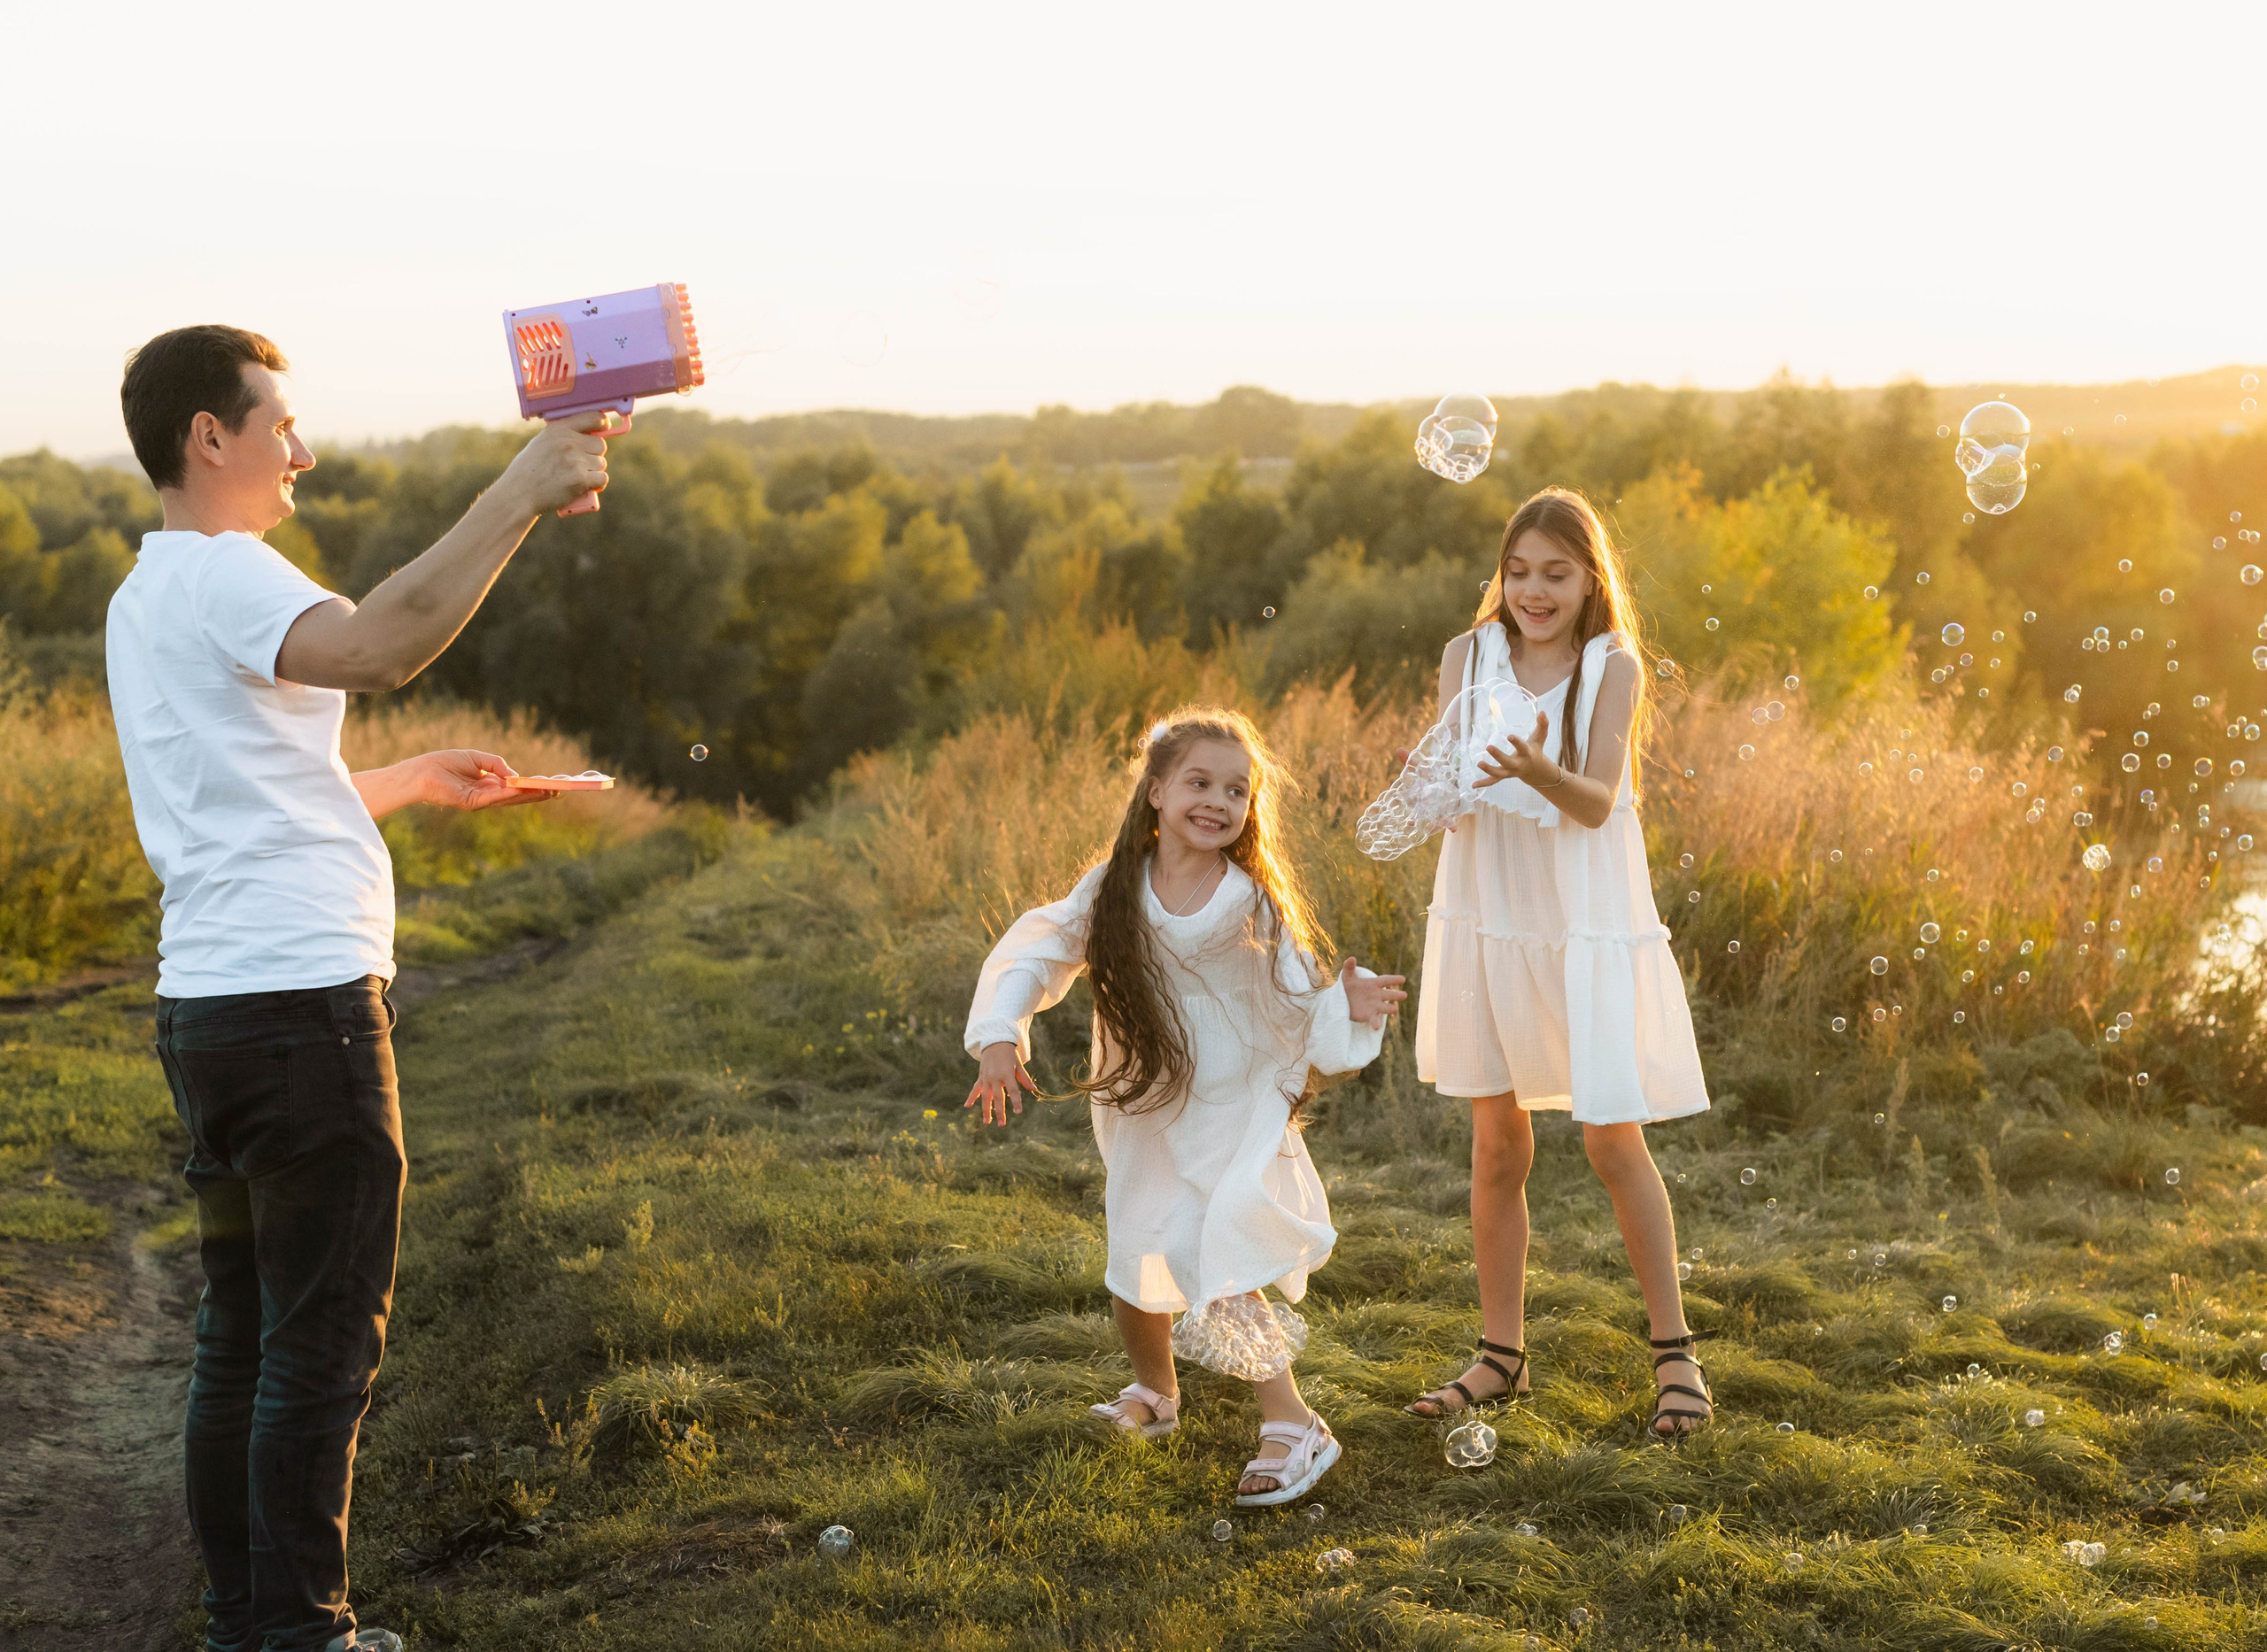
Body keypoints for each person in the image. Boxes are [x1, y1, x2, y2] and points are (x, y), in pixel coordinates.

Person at [107, 323, 611, 1652]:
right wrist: (518, 494)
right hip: (298, 1016)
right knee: (321, 1343)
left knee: (242, 1337)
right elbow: (382, 644)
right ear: (208, 436)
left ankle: (247, 1624)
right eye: (279, 423)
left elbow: (234, 797)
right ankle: (304, 1636)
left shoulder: (147, 591)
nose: (302, 451)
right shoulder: (225, 574)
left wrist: (393, 783)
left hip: (213, 1013)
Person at [963, 707, 1405, 1505]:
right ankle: (1157, 1396)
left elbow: (1300, 988)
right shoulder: (1113, 887)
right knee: (1137, 1242)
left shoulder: (1246, 898)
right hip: (1144, 1095)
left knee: (1219, 1249)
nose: (1218, 801)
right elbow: (1039, 948)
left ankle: (1295, 1421)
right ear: (1157, 791)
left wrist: (1350, 1000)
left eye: (1237, 790)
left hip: (1227, 1096)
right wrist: (1001, 1033)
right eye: (1199, 782)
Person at [1404, 487, 1715, 1438]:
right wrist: (1438, 791)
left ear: (1591, 581)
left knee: (1610, 1140)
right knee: (1497, 1142)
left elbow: (1591, 801)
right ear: (1499, 575)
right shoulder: (1466, 657)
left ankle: (1675, 1358)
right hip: (1492, 910)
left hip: (1580, 914)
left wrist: (1534, 769)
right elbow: (1446, 787)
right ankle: (1501, 1355)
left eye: (1556, 573)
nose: (1533, 591)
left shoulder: (1609, 666)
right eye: (1519, 571)